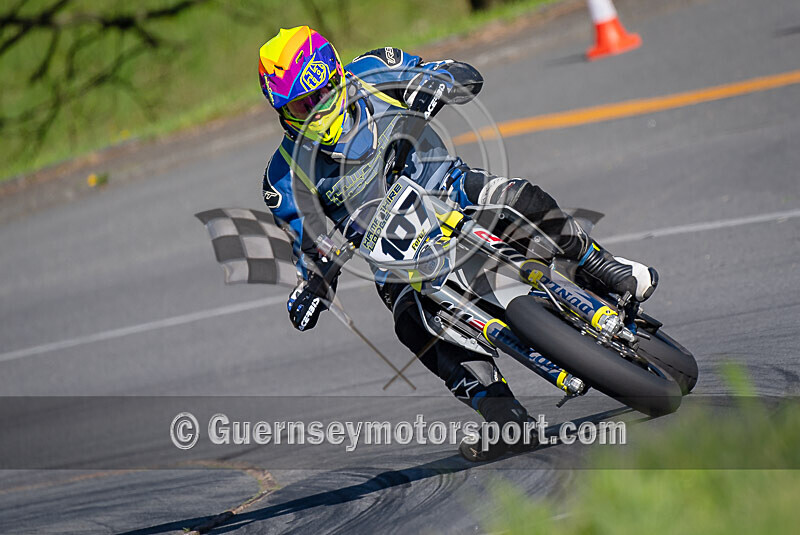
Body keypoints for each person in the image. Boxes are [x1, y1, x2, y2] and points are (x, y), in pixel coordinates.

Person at [259, 26, 658, 461]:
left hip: (448, 188)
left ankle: (598, 264)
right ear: (282, 111)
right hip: (390, 254)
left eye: (318, 96)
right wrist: (313, 285)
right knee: (409, 323)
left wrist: (435, 87)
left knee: (514, 196)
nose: (313, 112)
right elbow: (310, 245)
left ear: (335, 77)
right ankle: (503, 415)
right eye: (299, 106)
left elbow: (459, 73)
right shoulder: (282, 178)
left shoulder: (375, 69)